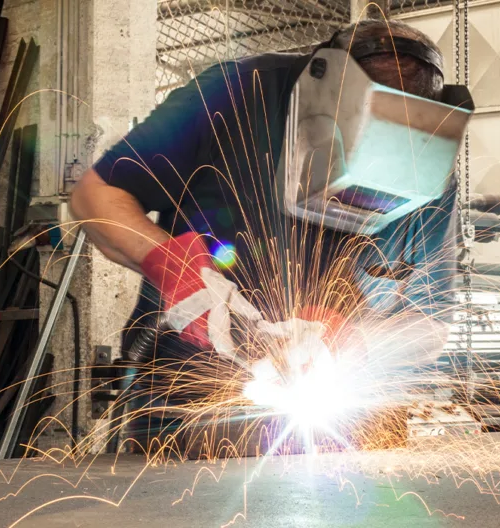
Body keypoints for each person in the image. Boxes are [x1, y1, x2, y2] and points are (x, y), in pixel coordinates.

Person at [71, 19, 461, 378]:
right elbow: (96, 194)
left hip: (336, 405)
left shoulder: (429, 164)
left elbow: (430, 324)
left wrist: (352, 342)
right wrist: (179, 272)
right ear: (320, 99)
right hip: (185, 392)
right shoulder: (235, 93)